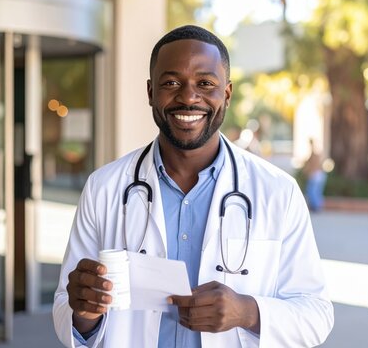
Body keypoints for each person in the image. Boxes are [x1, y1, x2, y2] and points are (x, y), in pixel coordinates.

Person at [53, 25, 333, 348]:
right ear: (150, 93)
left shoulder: (278, 193)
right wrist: (85, 311)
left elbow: (317, 314)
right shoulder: (104, 188)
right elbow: (67, 308)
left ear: (226, 94)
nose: (188, 97)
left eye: (205, 83)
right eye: (171, 83)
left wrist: (246, 312)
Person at [302, 140, 327, 212]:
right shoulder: (316, 154)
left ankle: (316, 207)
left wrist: (310, 173)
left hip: (315, 175)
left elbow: (314, 165)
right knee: (316, 191)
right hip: (319, 175)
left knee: (312, 191)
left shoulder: (314, 154)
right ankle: (316, 206)